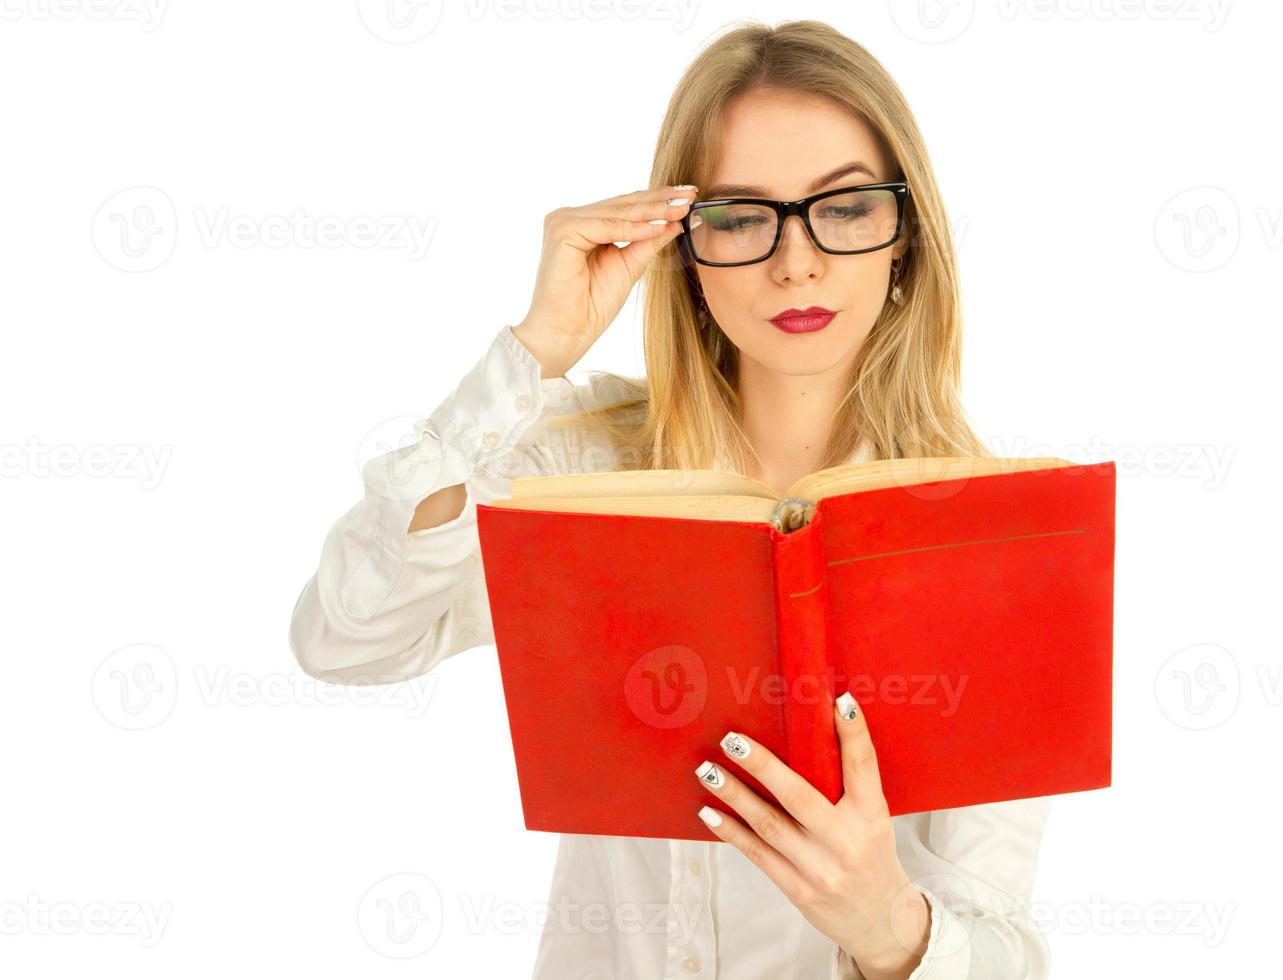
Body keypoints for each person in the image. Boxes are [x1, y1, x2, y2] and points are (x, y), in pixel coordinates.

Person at [289, 19, 1052, 979]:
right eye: (739, 217)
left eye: (846, 207)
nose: (796, 262)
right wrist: (529, 355)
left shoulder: (994, 543)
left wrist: (887, 925)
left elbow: (1006, 947)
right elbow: (345, 639)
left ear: (905, 239)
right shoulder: (580, 474)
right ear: (684, 255)